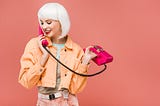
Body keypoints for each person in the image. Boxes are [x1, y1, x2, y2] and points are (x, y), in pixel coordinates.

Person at [18, 2, 96, 106]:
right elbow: (26, 82)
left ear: (61, 22)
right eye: (41, 23)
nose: (44, 27)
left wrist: (85, 62)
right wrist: (44, 57)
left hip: (69, 102)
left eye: (48, 22)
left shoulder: (76, 50)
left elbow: (76, 88)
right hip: (45, 102)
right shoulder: (34, 45)